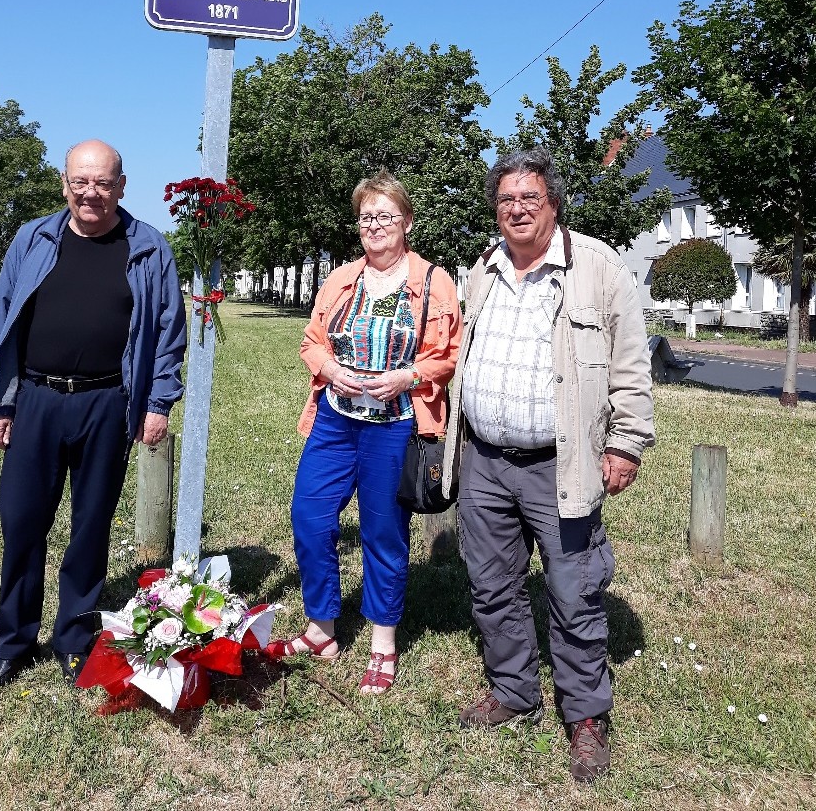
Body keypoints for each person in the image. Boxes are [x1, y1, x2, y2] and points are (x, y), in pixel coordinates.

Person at [445, 148, 654, 781]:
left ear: (553, 206)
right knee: (491, 584)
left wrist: (625, 442)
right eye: (506, 200)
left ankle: (585, 716)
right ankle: (513, 689)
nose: (516, 210)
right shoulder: (479, 270)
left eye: (529, 199)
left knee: (574, 590)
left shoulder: (596, 267)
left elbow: (630, 361)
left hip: (561, 465)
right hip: (483, 459)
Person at [0, 139, 187, 689]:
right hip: (38, 401)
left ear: (121, 184)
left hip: (107, 402)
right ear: (65, 183)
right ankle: (14, 645)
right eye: (81, 181)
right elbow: (2, 317)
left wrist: (157, 401)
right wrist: (0, 400)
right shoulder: (33, 237)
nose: (91, 193)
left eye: (103, 182)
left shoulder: (149, 247)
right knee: (21, 523)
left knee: (90, 528)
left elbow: (167, 332)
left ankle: (73, 639)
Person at [266, 171, 462, 694]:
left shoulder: (432, 281)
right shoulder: (340, 279)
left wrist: (409, 376)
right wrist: (331, 371)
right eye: (366, 217)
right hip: (334, 420)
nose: (374, 226)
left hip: (394, 426)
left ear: (407, 222)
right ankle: (322, 629)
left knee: (382, 533)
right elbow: (312, 342)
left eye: (385, 217)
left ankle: (382, 643)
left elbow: (451, 354)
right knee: (309, 515)